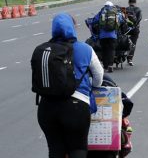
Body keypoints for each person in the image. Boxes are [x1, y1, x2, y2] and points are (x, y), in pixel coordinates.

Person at [37, 13, 104, 158]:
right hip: (76, 107)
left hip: (47, 107)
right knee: (77, 148)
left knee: (55, 149)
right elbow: (99, 76)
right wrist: (91, 86)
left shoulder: (44, 50)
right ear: (73, 28)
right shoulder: (85, 49)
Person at [93, 1, 124, 72]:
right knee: (112, 49)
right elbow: (121, 20)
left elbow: (95, 20)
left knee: (104, 50)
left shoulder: (102, 12)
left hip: (102, 36)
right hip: (113, 35)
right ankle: (111, 65)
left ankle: (105, 66)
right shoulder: (115, 12)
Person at [125, 0, 142, 66]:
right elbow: (139, 20)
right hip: (134, 30)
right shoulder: (138, 10)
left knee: (123, 41)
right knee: (133, 43)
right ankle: (130, 59)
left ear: (129, 3)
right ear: (135, 3)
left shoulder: (125, 9)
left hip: (126, 29)